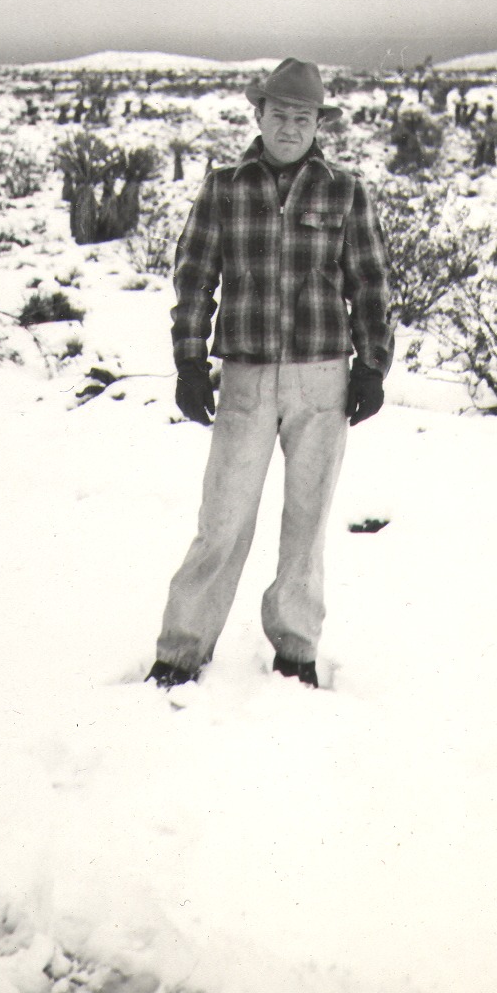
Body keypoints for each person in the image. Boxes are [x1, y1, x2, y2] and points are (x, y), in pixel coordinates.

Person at [148, 58, 394, 691]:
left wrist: (372, 365)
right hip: (246, 378)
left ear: (318, 124)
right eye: (280, 114)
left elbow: (370, 282)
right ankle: (180, 652)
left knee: (307, 524)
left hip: (321, 379)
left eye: (303, 117)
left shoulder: (345, 190)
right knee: (222, 520)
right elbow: (195, 277)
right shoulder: (224, 187)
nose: (290, 127)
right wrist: (188, 361)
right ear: (258, 115)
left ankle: (295, 651)